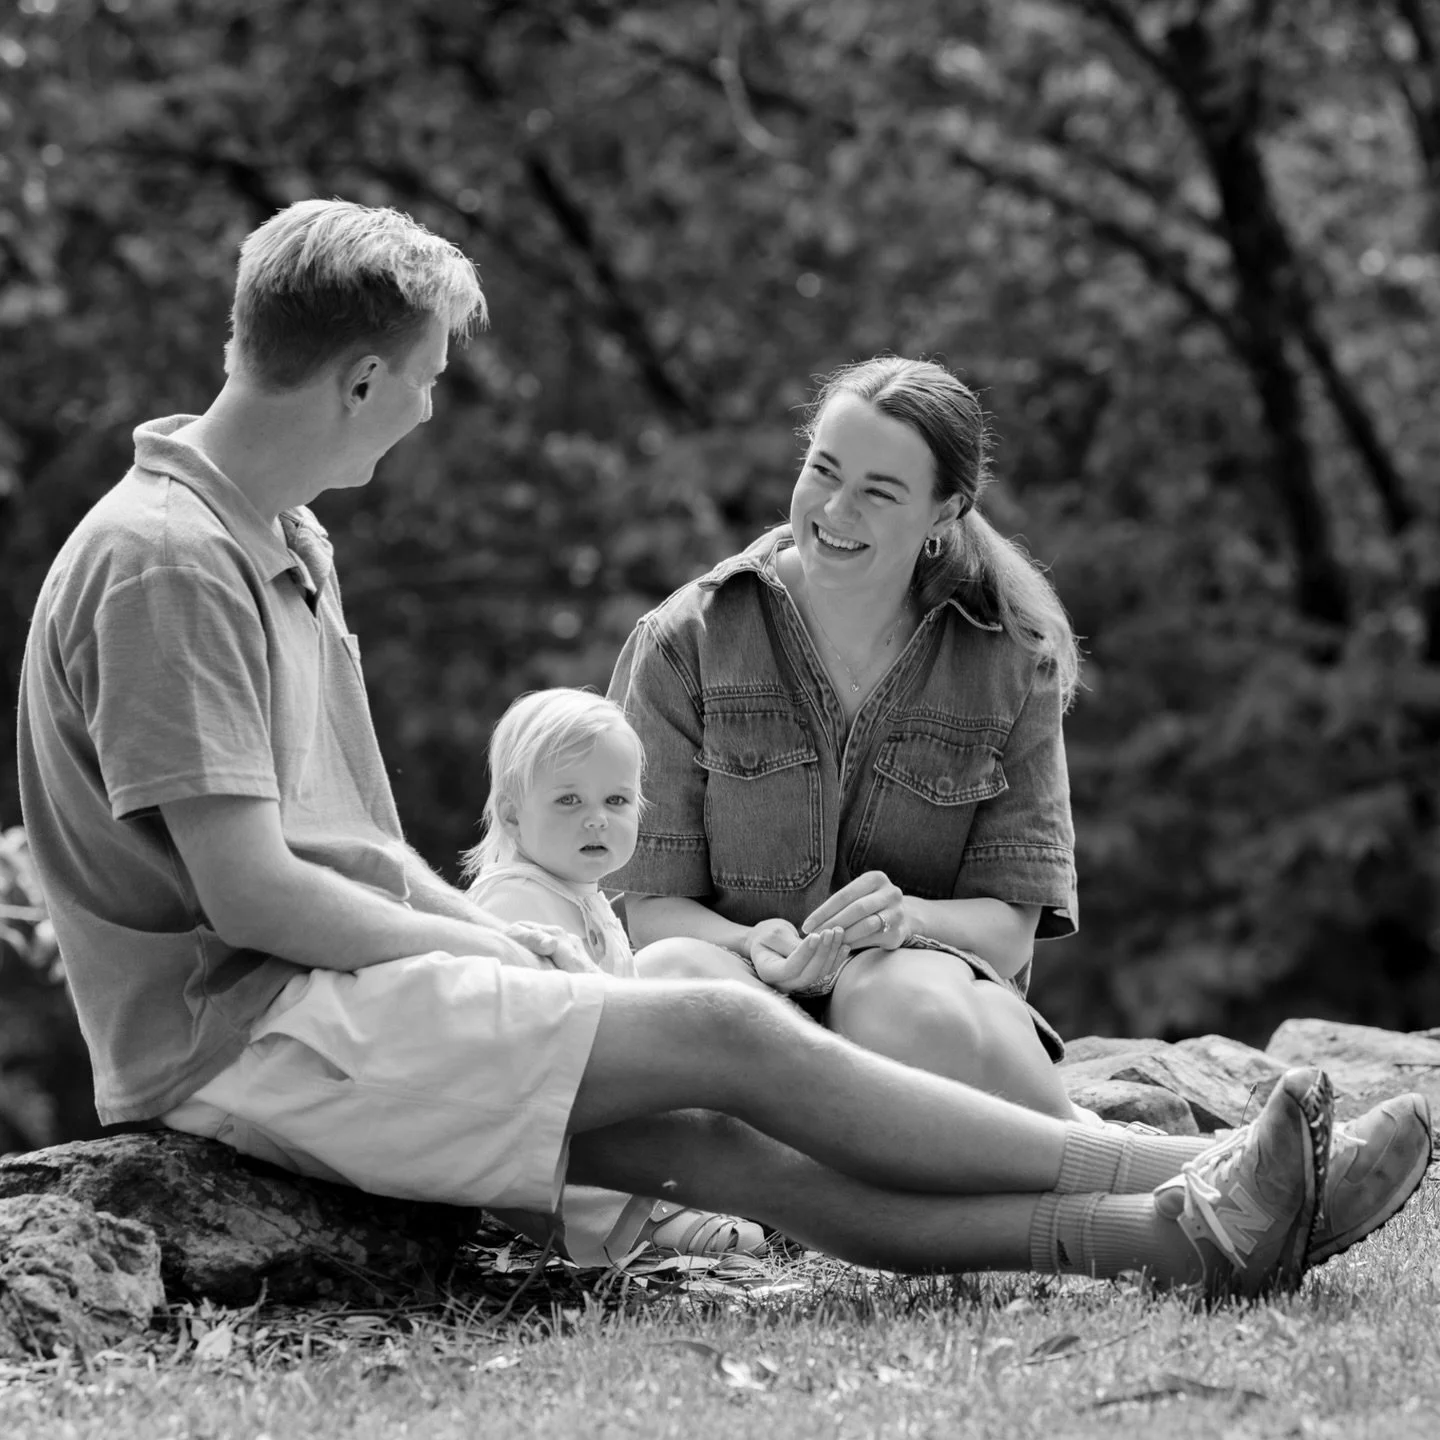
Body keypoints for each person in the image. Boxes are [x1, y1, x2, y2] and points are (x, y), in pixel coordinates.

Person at [15, 199, 1429, 1308]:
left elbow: (359, 850)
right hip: (247, 1036)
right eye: (428, 380)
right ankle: (1212, 1168)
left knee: (726, 1149)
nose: (432, 408)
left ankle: (1190, 1242)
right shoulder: (169, 564)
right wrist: (496, 949)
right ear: (363, 376)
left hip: (326, 1004)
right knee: (724, 1031)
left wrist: (490, 941)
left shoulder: (279, 540)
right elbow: (252, 894)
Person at [605, 356, 1084, 1119]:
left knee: (890, 998)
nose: (836, 509)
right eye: (823, 471)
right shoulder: (686, 640)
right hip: (743, 979)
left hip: (918, 998)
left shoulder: (1013, 661)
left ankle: (1099, 1158)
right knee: (673, 979)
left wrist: (908, 919)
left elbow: (1008, 932)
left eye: (879, 492)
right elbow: (652, 911)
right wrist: (754, 945)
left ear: (945, 512)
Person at [461, 687, 765, 1261]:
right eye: (569, 800)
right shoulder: (514, 901)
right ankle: (630, 1216)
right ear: (512, 813)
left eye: (617, 800)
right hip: (537, 1120)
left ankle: (686, 1185)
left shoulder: (580, 894)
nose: (597, 818)